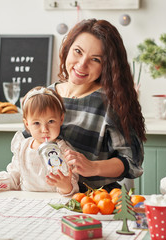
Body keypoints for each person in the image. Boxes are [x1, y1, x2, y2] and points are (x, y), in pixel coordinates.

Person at [51, 18, 147, 193]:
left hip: (93, 201)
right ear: (67, 48)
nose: (82, 64)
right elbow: (24, 151)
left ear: (107, 66)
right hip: (41, 198)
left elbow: (132, 160)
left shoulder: (110, 103)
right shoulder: (44, 96)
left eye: (95, 59)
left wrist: (93, 167)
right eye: (78, 51)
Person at [0, 86, 79, 196]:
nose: (44, 130)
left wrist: (65, 186)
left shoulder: (64, 151)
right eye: (36, 123)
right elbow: (14, 177)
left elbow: (73, 183)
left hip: (54, 202)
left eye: (50, 121)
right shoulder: (22, 147)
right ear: (27, 124)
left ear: (61, 119)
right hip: (26, 201)